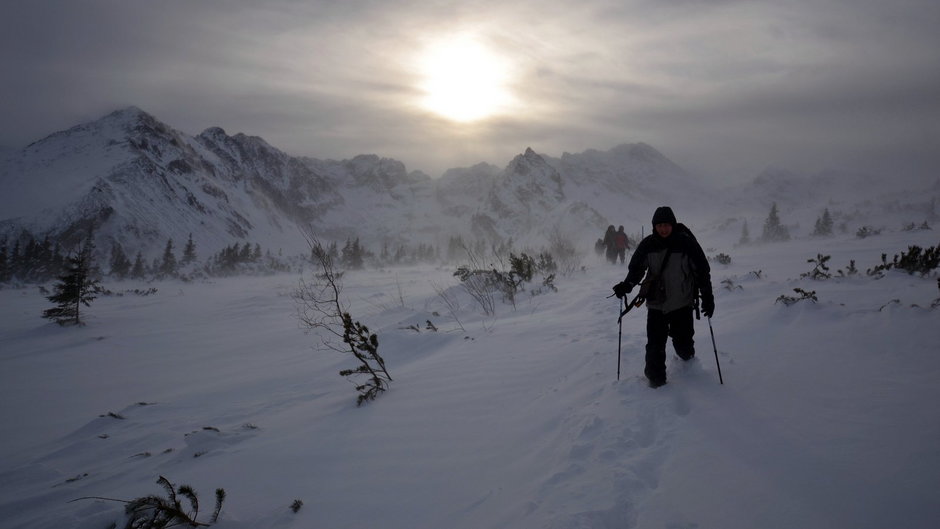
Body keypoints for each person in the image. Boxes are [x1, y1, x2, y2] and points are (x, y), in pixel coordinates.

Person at [612, 206, 714, 387]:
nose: (663, 229)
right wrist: (627, 285)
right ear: (654, 226)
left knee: (683, 344)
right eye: (659, 225)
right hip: (656, 304)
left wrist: (707, 296)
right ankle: (656, 381)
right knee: (654, 345)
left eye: (666, 225)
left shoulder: (686, 244)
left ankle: (688, 362)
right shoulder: (648, 245)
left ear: (673, 224)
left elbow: (702, 271)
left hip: (682, 303)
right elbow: (636, 270)